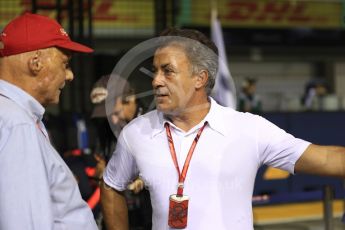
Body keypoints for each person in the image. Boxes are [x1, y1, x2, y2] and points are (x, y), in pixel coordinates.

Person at [101, 27, 345, 230]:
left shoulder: (249, 129)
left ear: (200, 79)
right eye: (155, 71)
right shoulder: (136, 133)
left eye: (168, 71)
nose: (155, 80)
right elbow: (112, 185)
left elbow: (325, 158)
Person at [0, 13, 98, 229]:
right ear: (35, 62)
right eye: (65, 64)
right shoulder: (17, 123)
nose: (70, 75)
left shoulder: (13, 114)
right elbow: (25, 222)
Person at [90, 75, 152, 229]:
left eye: (115, 113)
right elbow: (100, 162)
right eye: (106, 116)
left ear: (130, 99)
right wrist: (101, 172)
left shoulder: (154, 123)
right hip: (116, 213)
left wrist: (143, 178)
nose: (113, 120)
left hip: (149, 215)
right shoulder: (105, 125)